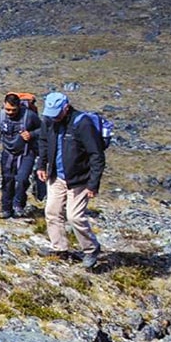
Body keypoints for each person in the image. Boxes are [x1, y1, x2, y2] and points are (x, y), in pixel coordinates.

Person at [33, 91, 105, 269]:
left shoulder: (82, 124)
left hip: (79, 179)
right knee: (52, 212)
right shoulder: (49, 120)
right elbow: (43, 142)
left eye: (57, 114)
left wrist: (93, 184)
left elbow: (96, 155)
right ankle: (59, 249)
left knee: (75, 217)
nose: (53, 118)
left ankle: (91, 249)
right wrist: (41, 165)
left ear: (66, 108)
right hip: (55, 175)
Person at [0, 92, 41, 218]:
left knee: (21, 179)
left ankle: (19, 205)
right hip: (8, 153)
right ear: (3, 105)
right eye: (7, 109)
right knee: (7, 181)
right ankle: (6, 209)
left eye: (13, 110)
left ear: (19, 106)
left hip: (27, 152)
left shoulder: (29, 116)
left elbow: (43, 129)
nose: (10, 112)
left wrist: (31, 134)